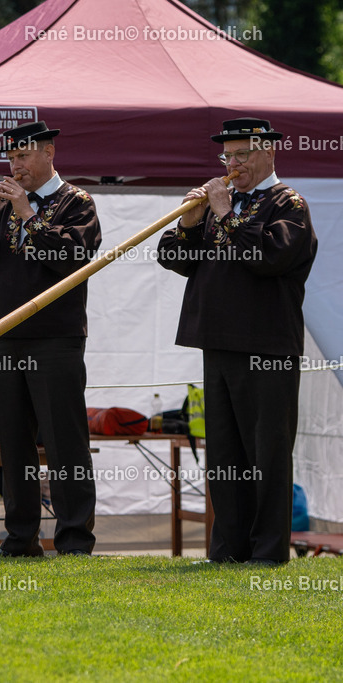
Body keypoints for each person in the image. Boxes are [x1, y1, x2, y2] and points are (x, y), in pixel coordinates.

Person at [157, 117, 317, 566]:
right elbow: (172, 257)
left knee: (266, 451)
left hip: (267, 348)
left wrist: (226, 214)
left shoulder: (289, 203)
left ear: (268, 152)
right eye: (227, 156)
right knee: (224, 453)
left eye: (242, 154)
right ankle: (229, 549)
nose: (233, 164)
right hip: (217, 341)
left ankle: (268, 552)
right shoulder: (215, 204)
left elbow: (270, 257)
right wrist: (190, 222)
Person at [0, 121, 101, 557]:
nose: (15, 165)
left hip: (54, 340)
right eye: (11, 157)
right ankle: (21, 539)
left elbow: (72, 257)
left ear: (48, 153)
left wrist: (26, 212)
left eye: (23, 156)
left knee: (64, 443)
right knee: (14, 444)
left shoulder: (77, 202)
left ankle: (74, 539)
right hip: (4, 338)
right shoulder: (2, 205)